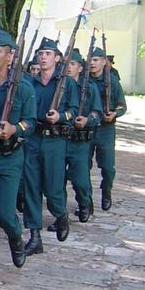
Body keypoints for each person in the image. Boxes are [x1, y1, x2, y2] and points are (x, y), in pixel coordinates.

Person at [0, 29, 35, 280]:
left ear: (10, 56)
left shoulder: (22, 87)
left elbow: (31, 122)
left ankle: (15, 236)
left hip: (9, 157)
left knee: (4, 213)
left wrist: (15, 129)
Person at [22, 38, 79, 256]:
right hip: (33, 139)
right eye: (40, 53)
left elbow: (74, 110)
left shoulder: (66, 83)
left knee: (54, 188)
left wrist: (61, 116)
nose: (43, 57)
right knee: (31, 187)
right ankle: (34, 235)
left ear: (57, 58)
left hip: (54, 141)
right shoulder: (30, 83)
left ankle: (60, 214)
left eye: (48, 53)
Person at [58, 48, 102, 226]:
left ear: (80, 68)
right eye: (66, 64)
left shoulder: (89, 87)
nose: (68, 67)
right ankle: (60, 215)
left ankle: (84, 203)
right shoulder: (58, 86)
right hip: (60, 139)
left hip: (79, 141)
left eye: (73, 64)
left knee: (80, 179)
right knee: (57, 180)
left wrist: (87, 120)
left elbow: (97, 112)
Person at [90, 48, 127, 210]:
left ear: (104, 62)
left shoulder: (112, 81)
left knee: (107, 167)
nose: (92, 63)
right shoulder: (83, 81)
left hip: (106, 129)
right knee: (82, 168)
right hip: (87, 129)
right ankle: (86, 201)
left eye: (96, 60)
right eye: (90, 59)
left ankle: (106, 191)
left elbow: (122, 106)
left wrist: (114, 114)